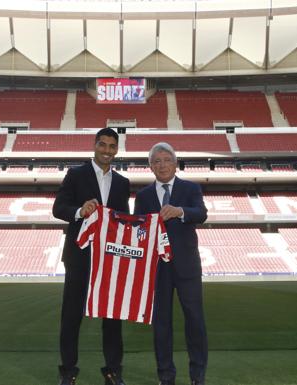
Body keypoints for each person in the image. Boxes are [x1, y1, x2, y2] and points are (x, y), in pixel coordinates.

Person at [52, 128, 130, 385]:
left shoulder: (122, 183)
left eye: (112, 146)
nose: (107, 151)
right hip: (80, 257)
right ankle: (68, 371)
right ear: (94, 145)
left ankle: (112, 370)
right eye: (103, 145)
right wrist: (79, 211)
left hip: (110, 259)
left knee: (113, 319)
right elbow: (58, 208)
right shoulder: (76, 174)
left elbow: (123, 223)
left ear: (117, 149)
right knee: (72, 316)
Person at [134, 142, 208, 385]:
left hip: (187, 266)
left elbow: (201, 213)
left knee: (195, 321)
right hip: (157, 269)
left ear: (175, 163)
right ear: (150, 167)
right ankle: (165, 375)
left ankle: (198, 374)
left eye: (166, 160)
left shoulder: (191, 188)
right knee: (161, 325)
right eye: (157, 161)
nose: (162, 165)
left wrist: (179, 211)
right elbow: (139, 229)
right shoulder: (143, 196)